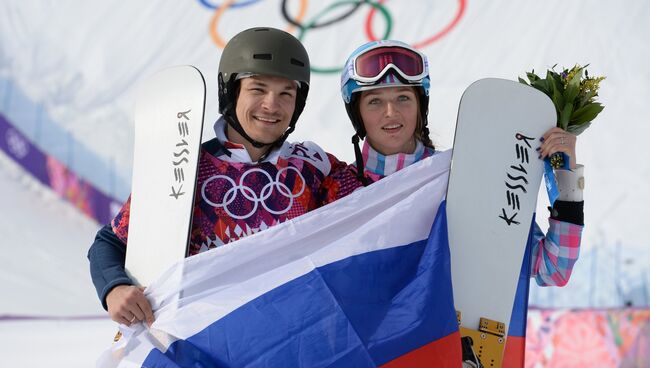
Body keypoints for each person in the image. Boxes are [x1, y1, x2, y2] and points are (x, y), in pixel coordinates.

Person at [88, 27, 345, 326]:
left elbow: (379, 200)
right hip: (203, 337)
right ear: (231, 91)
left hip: (286, 336)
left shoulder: (314, 168)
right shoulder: (185, 167)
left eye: (286, 93)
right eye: (258, 89)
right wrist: (115, 288)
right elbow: (110, 242)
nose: (272, 105)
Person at [321, 40, 584, 287]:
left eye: (403, 97)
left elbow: (553, 270)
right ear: (357, 113)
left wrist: (565, 181)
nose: (391, 112)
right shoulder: (338, 190)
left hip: (446, 335)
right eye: (375, 101)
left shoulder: (463, 176)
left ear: (420, 106)